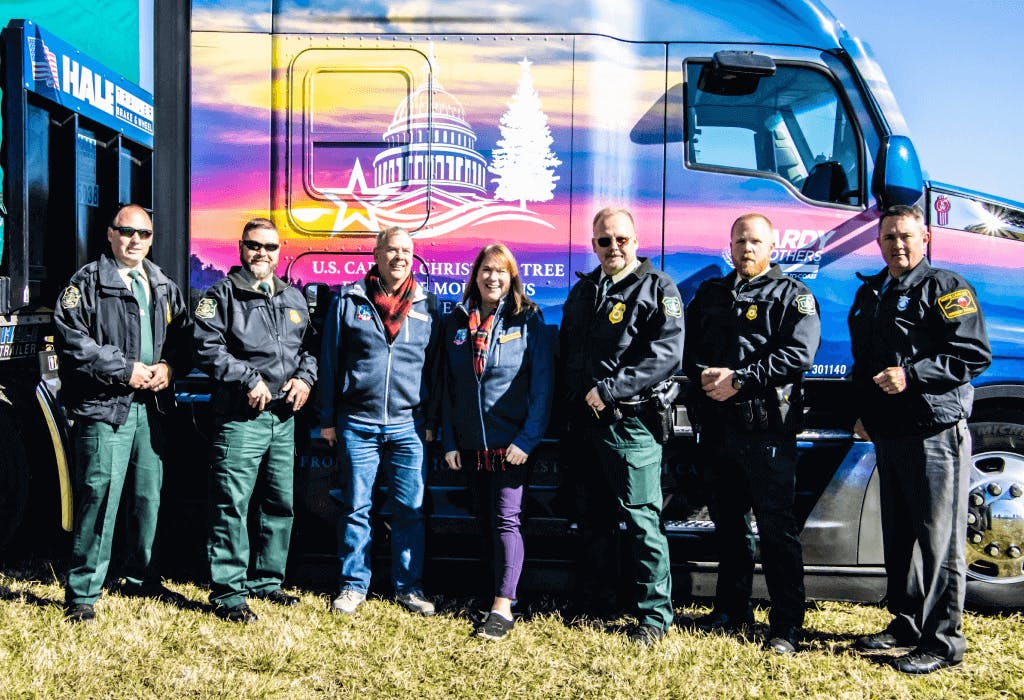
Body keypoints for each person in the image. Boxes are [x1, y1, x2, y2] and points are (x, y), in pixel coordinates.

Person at [848, 204, 990, 674]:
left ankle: (943, 641)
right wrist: (865, 414)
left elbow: (972, 353)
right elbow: (865, 362)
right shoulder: (872, 292)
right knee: (901, 538)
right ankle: (906, 622)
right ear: (878, 242)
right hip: (891, 434)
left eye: (906, 235)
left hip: (935, 432)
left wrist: (912, 375)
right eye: (889, 237)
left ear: (925, 236)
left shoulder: (945, 287)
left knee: (940, 542)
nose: (898, 244)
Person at [683, 213, 820, 654]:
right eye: (741, 241)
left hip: (767, 431)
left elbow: (799, 353)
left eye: (756, 241)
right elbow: (689, 350)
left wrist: (741, 379)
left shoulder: (791, 295)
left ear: (771, 245)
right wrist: (703, 378)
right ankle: (732, 608)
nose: (747, 248)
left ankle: (786, 624)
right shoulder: (711, 294)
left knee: (776, 530)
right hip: (719, 429)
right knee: (728, 526)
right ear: (730, 244)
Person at [55, 204, 192, 623]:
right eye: (127, 231)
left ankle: (141, 577)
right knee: (100, 496)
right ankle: (83, 593)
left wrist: (168, 369)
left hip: (150, 407)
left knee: (147, 497)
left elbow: (185, 339)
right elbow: (72, 340)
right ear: (110, 236)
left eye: (144, 234)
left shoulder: (162, 284)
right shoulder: (87, 283)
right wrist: (125, 368)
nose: (136, 240)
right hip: (104, 406)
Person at [558, 207, 684, 645]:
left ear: (636, 240)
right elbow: (568, 355)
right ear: (593, 244)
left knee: (642, 520)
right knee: (592, 517)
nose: (614, 248)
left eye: (621, 240)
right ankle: (597, 599)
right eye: (604, 241)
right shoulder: (585, 291)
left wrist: (612, 389)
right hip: (584, 427)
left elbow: (666, 354)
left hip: (629, 424)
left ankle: (653, 616)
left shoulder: (658, 288)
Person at [193, 217, 317, 623]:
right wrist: (247, 377)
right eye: (254, 245)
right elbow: (208, 348)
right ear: (241, 248)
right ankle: (229, 592)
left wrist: (305, 378)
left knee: (279, 503)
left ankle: (267, 581)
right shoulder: (221, 296)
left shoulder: (294, 298)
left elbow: (309, 349)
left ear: (281, 253)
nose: (262, 253)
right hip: (241, 418)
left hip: (283, 419)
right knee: (232, 503)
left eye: (270, 246)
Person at [320, 227, 440, 617]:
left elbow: (436, 372)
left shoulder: (427, 307)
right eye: (392, 250)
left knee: (410, 508)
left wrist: (431, 420)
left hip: (409, 426)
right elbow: (330, 361)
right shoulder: (350, 300)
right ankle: (353, 586)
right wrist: (327, 418)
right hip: (357, 421)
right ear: (376, 254)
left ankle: (409, 587)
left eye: (406, 250)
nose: (399, 257)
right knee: (356, 507)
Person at [441, 244, 554, 640]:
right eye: (486, 270)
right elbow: (448, 388)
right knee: (484, 519)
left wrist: (528, 438)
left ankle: (503, 607)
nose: (493, 278)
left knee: (507, 520)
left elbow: (542, 386)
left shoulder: (528, 319)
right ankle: (490, 592)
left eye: (501, 272)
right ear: (475, 275)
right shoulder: (457, 322)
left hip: (512, 445)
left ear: (512, 278)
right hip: (470, 447)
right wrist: (450, 441)